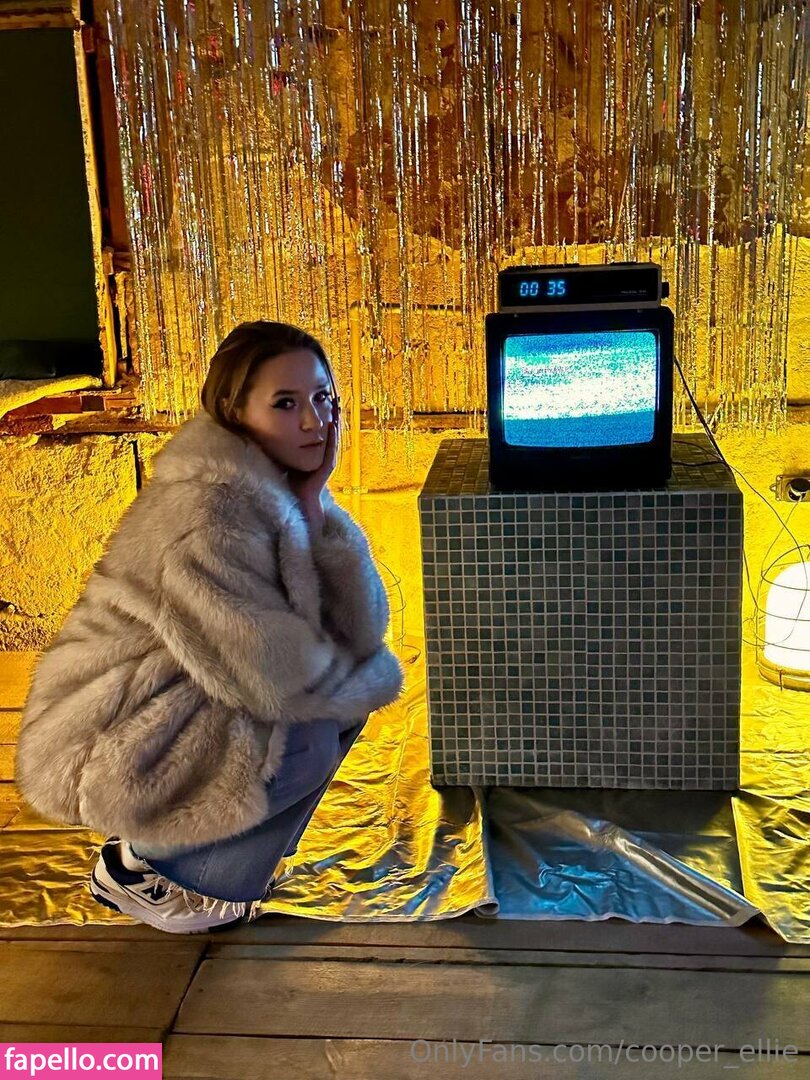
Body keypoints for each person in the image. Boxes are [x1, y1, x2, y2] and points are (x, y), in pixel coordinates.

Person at [13, 321, 404, 934]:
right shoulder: (209, 511)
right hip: (109, 730)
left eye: (323, 397)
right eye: (285, 403)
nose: (315, 421)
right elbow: (272, 675)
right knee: (302, 738)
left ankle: (220, 870)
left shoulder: (278, 485)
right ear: (233, 410)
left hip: (186, 693)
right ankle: (135, 863)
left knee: (342, 696)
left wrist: (312, 505)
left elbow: (358, 628)